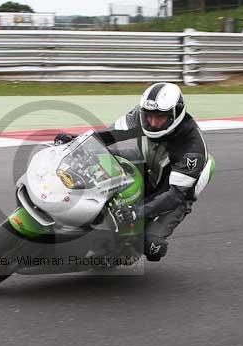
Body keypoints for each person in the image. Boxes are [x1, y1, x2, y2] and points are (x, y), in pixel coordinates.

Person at [54, 83, 212, 262]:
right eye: (149, 117)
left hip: (174, 190)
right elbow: (110, 134)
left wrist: (137, 211)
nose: (152, 123)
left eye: (159, 118)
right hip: (145, 160)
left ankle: (129, 246)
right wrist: (76, 141)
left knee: (151, 245)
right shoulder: (141, 114)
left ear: (175, 114)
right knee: (93, 154)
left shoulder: (192, 149)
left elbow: (174, 195)